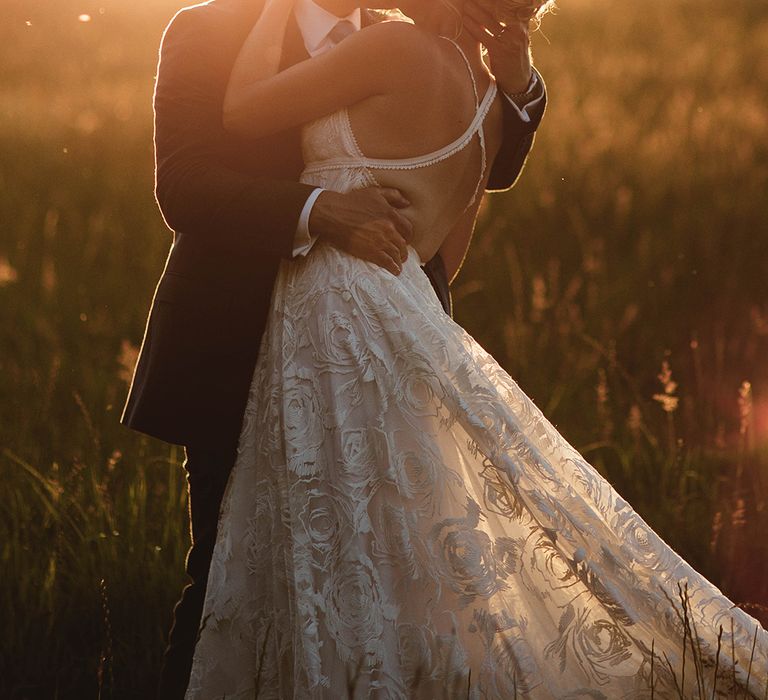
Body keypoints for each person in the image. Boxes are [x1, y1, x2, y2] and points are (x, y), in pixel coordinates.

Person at [179, 0, 768, 696]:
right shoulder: (489, 105)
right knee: (392, 557)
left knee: (310, 548)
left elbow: (244, 111)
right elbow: (444, 259)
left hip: (327, 314)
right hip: (394, 320)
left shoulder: (389, 50)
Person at [120, 0, 546, 695]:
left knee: (377, 574)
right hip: (234, 340)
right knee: (228, 571)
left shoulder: (397, 42)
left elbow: (485, 161)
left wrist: (520, 85)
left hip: (373, 346)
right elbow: (185, 183)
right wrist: (318, 209)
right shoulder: (208, 30)